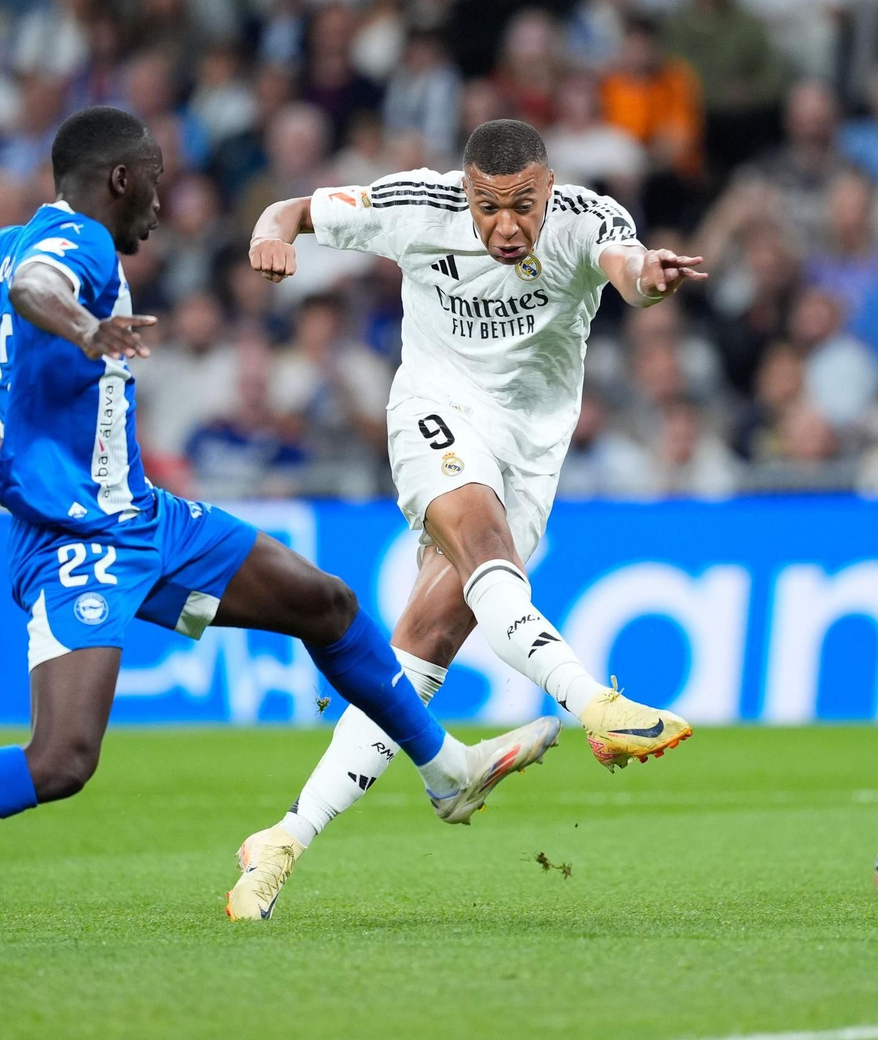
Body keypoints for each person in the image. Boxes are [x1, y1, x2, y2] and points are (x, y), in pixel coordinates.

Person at [0, 108, 558, 950]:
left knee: (327, 606)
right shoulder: (81, 246)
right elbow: (37, 289)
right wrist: (87, 328)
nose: (161, 204)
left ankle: (445, 769)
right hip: (77, 539)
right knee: (61, 759)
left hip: (144, 517)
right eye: (156, 182)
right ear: (121, 179)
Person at [236, 119, 703, 919]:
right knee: (486, 547)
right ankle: (593, 703)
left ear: (548, 188)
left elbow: (626, 269)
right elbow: (292, 210)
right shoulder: (419, 206)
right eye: (489, 207)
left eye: (523, 205)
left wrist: (650, 279)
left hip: (529, 456)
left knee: (421, 646)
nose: (506, 225)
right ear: (466, 192)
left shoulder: (588, 219)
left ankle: (284, 837)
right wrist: (269, 236)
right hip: (436, 412)